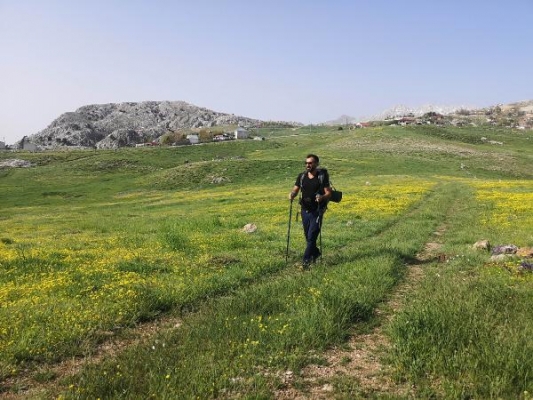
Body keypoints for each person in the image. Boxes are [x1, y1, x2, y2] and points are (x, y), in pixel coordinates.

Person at [289, 154, 332, 269]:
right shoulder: (302, 176)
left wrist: (322, 197)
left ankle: (305, 263)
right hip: (304, 210)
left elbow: (328, 192)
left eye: (310, 163)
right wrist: (292, 194)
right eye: (306, 163)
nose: (308, 165)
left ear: (316, 164)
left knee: (312, 236)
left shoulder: (321, 177)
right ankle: (316, 253)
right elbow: (295, 189)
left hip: (317, 211)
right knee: (308, 237)